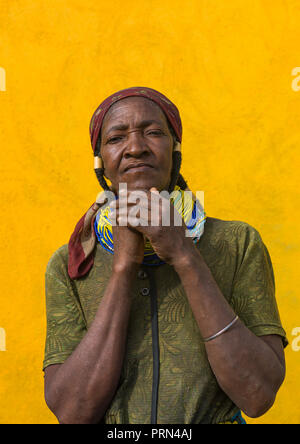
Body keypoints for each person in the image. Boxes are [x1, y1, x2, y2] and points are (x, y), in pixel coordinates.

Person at [43, 87, 287, 424]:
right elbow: (72, 413)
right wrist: (123, 267)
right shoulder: (70, 264)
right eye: (116, 138)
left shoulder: (236, 243)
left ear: (175, 150)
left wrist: (184, 255)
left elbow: (258, 395)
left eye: (154, 133)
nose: (135, 148)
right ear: (100, 163)